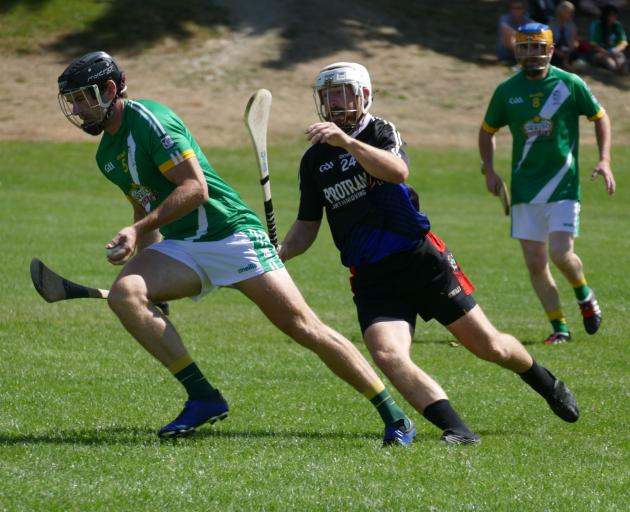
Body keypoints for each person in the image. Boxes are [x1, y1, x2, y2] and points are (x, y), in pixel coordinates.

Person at [56, 51, 418, 446]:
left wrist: (136, 228)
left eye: (82, 97)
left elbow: (195, 189)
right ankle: (203, 396)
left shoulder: (150, 120)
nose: (76, 108)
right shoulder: (106, 154)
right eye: (72, 100)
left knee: (305, 328)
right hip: (184, 244)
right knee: (127, 294)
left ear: (109, 90)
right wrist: (142, 250)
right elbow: (143, 206)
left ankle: (394, 416)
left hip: (232, 235)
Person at [278, 61, 580, 445]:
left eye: (344, 92)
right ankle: (458, 430)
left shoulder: (380, 131)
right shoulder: (314, 161)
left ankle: (543, 380)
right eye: (329, 95)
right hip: (372, 276)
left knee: (489, 346)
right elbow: (307, 227)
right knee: (388, 355)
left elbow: (397, 172)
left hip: (421, 261)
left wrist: (348, 143)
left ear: (365, 95)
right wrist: (281, 253)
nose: (336, 102)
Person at [479, 23, 616, 345]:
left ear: (551, 50)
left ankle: (584, 294)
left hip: (563, 186)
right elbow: (487, 131)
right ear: (517, 51)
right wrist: (489, 170)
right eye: (525, 47)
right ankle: (560, 329)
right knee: (536, 263)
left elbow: (600, 117)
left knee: (560, 254)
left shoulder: (569, 84)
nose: (531, 54)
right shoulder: (507, 91)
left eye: (538, 47)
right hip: (525, 189)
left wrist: (604, 159)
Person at [589, 3, 629, 74]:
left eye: (615, 15)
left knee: (623, 66)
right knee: (611, 64)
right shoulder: (597, 25)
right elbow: (593, 44)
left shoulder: (617, 26)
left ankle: (621, 67)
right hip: (600, 53)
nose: (615, 17)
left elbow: (623, 42)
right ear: (606, 15)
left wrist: (615, 50)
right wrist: (606, 52)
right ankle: (616, 68)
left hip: (615, 53)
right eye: (612, 15)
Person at [550, 1, 586, 71]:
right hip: (555, 51)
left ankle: (567, 64)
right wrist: (559, 52)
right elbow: (550, 43)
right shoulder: (551, 25)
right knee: (555, 57)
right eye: (569, 12)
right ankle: (567, 65)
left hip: (567, 50)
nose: (571, 14)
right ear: (562, 12)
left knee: (575, 56)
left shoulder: (572, 26)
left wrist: (568, 52)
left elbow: (573, 42)